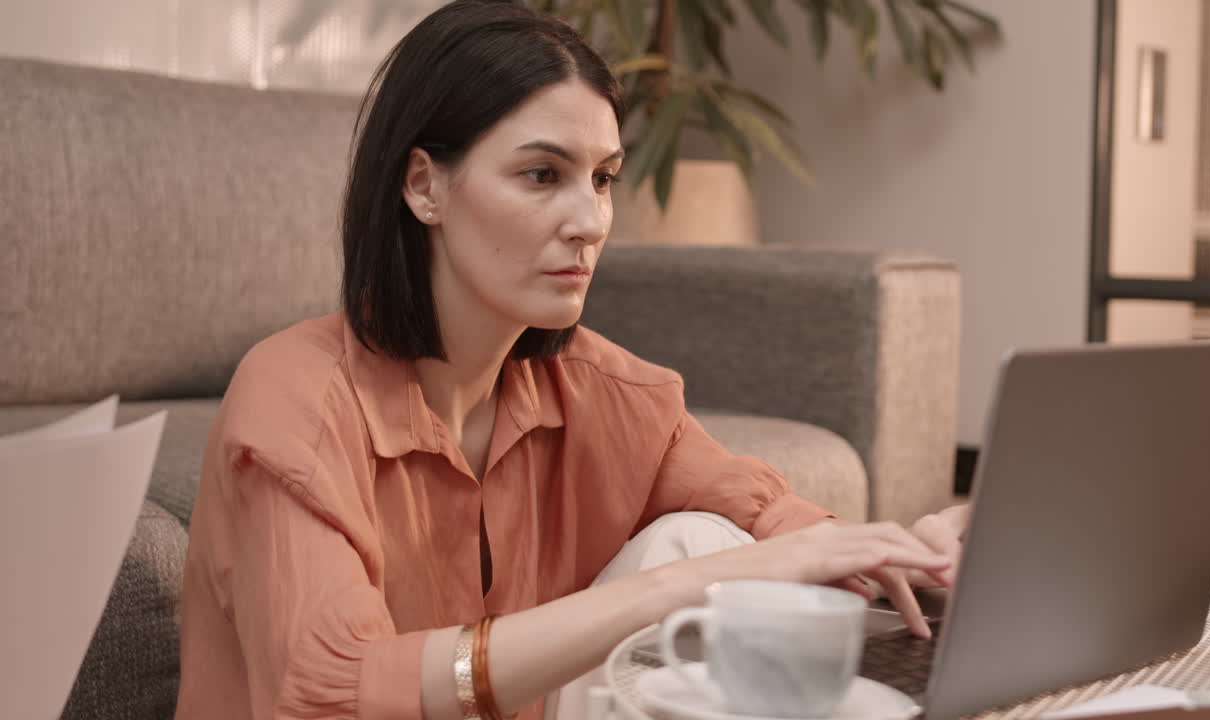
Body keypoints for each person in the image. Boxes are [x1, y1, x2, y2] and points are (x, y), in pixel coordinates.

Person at [174, 2, 968, 719]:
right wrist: (677, 590)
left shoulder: (600, 390)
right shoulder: (296, 399)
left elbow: (764, 518)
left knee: (700, 538)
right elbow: (332, 690)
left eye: (603, 178)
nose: (590, 219)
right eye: (542, 175)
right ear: (425, 186)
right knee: (690, 564)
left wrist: (904, 553)